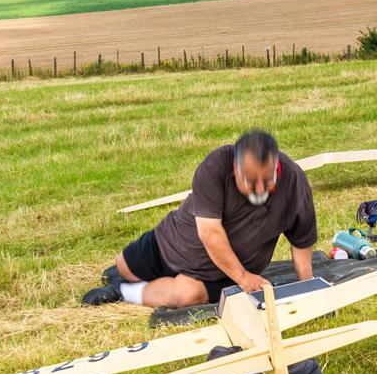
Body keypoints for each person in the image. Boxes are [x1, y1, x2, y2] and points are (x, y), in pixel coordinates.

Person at [83, 130, 318, 308]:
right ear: (235, 170)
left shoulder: (294, 181)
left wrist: (308, 290)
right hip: (173, 244)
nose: (260, 189)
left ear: (276, 165)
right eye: (250, 182)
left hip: (224, 272)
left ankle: (122, 292)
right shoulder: (214, 166)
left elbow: (301, 241)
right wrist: (245, 278)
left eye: (267, 180)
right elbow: (210, 233)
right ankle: (122, 277)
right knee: (123, 265)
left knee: (185, 295)